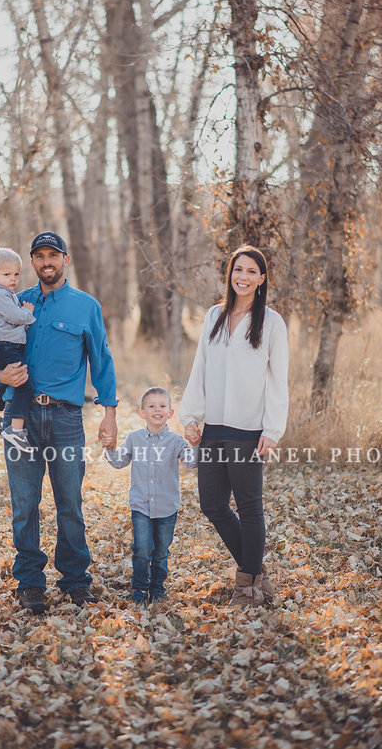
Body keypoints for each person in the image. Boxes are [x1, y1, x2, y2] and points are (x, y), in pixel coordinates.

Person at [0, 231, 118, 614]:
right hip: (19, 417)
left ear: (65, 260)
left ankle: (75, 580)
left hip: (65, 418)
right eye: (39, 256)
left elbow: (102, 361)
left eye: (52, 255)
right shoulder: (14, 300)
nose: (46, 262)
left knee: (69, 502)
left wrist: (110, 414)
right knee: (24, 505)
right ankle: (30, 584)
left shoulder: (85, 306)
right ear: (32, 262)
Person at [179, 245, 289, 608]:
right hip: (214, 428)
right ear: (231, 274)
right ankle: (257, 571)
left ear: (262, 279)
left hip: (248, 431)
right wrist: (191, 416)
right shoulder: (213, 316)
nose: (243, 277)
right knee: (212, 504)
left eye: (251, 272)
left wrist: (272, 430)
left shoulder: (271, 322)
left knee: (249, 506)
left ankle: (247, 589)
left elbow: (278, 380)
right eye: (237, 270)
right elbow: (200, 370)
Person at [104, 387, 197, 604]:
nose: (157, 410)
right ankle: (140, 588)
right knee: (142, 549)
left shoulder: (176, 441)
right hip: (141, 506)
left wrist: (196, 444)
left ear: (171, 413)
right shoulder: (134, 438)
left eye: (163, 406)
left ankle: (157, 588)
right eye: (152, 406)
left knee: (161, 551)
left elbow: (192, 462)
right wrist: (109, 449)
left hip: (167, 506)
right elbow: (120, 461)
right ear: (142, 413)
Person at [0, 246, 36, 452]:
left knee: (4, 382)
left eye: (16, 274)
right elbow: (16, 317)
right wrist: (28, 312)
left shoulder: (5, 293)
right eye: (7, 274)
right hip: (3, 347)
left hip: (2, 346)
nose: (13, 279)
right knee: (23, 385)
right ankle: (15, 429)